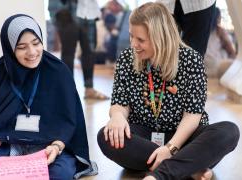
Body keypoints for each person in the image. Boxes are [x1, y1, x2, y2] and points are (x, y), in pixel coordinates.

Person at [0, 14, 97, 180]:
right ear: (10, 48)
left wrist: (56, 146)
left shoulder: (58, 71)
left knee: (59, 173)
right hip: (7, 143)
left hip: (47, 145)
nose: (32, 52)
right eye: (21, 47)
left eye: (36, 43)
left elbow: (69, 122)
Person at [97, 3, 240, 180]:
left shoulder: (191, 60)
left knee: (228, 131)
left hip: (184, 138)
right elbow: (119, 102)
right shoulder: (127, 58)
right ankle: (187, 167)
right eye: (131, 36)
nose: (134, 44)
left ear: (160, 37)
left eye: (140, 40)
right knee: (106, 135)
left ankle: (161, 174)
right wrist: (117, 116)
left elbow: (192, 115)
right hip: (144, 138)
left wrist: (171, 148)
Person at [48, 0, 109, 100]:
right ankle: (68, 90)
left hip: (88, 11)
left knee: (89, 51)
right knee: (68, 53)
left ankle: (89, 89)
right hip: (66, 8)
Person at [204, 7, 237, 77]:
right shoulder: (219, 31)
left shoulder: (202, 31)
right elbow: (231, 51)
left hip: (204, 68)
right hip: (217, 67)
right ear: (217, 18)